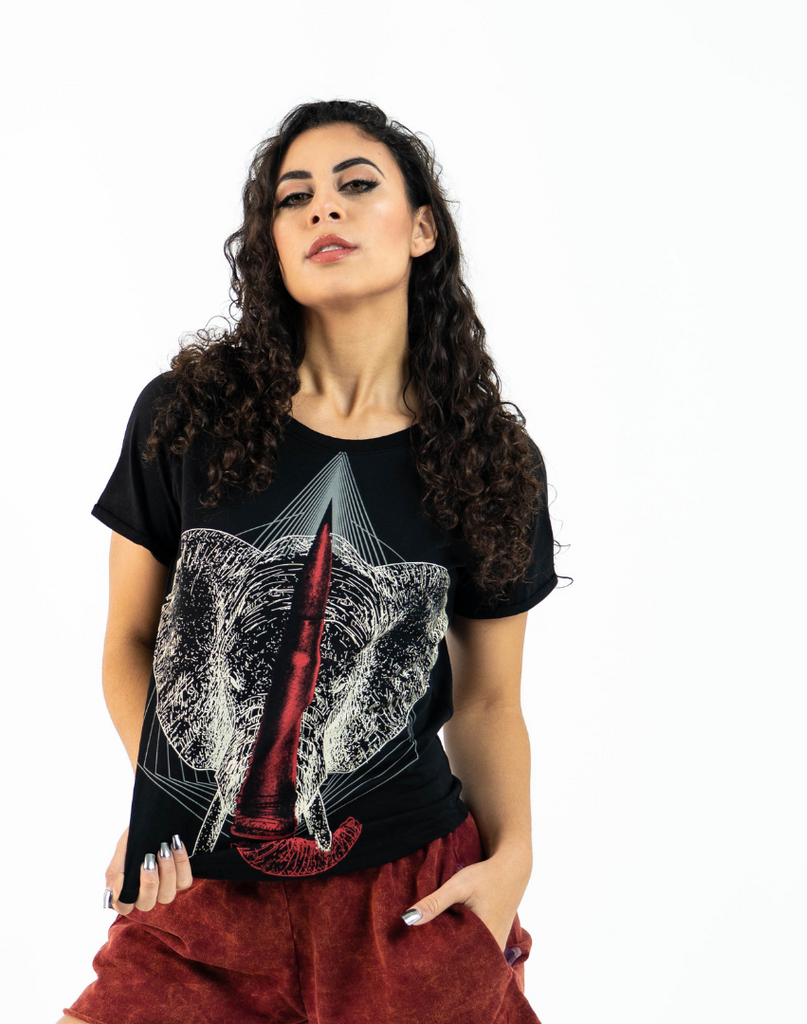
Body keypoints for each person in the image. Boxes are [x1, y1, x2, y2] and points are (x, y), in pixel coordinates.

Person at [58, 98, 566, 1024]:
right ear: (274, 246)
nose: (322, 208)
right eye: (294, 198)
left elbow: (490, 701)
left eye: (356, 185)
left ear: (423, 229)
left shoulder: (488, 459)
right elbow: (129, 639)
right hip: (202, 893)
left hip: (411, 904)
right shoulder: (187, 415)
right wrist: (170, 796)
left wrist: (513, 865)